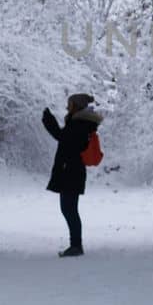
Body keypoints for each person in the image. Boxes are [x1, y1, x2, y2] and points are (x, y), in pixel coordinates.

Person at [42, 92, 102, 257]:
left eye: (70, 103)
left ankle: (76, 245)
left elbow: (62, 137)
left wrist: (49, 120)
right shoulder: (79, 123)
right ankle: (75, 245)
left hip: (71, 171)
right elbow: (64, 137)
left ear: (76, 106)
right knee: (69, 208)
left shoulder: (80, 124)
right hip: (71, 170)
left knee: (69, 209)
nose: (67, 106)